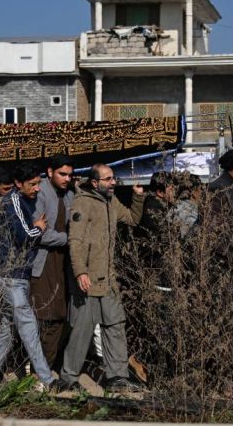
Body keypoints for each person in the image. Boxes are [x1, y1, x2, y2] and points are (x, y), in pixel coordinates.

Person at [57, 164, 145, 392]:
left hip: (108, 280)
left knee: (114, 325)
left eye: (114, 178)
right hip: (87, 282)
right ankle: (68, 378)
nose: (114, 182)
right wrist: (80, 272)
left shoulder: (110, 202)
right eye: (108, 179)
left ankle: (117, 376)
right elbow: (74, 242)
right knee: (81, 331)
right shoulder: (83, 202)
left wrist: (138, 197)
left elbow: (133, 220)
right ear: (95, 183)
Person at [0, 163, 56, 389]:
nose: (37, 189)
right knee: (28, 326)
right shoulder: (13, 201)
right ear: (18, 184)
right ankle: (48, 379)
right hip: (11, 274)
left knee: (7, 328)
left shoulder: (24, 200)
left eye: (38, 184)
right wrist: (39, 228)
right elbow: (24, 236)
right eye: (32, 185)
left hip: (20, 274)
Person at [31, 155, 75, 369]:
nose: (67, 179)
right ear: (50, 172)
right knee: (43, 315)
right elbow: (39, 234)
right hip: (44, 263)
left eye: (69, 175)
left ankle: (46, 367)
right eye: (62, 174)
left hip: (63, 264)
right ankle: (37, 368)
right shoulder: (40, 194)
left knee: (59, 315)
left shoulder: (70, 196)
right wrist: (67, 239)